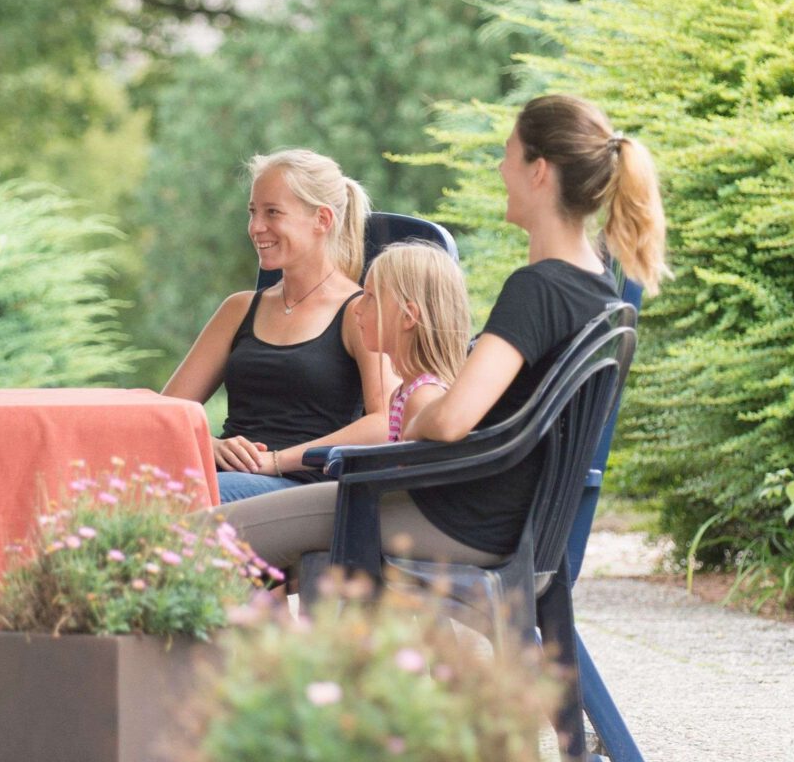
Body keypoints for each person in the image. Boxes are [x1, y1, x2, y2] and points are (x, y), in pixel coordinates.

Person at [216, 94, 666, 580]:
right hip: (495, 520)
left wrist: (406, 419)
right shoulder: (595, 289)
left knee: (193, 529)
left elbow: (451, 420)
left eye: (509, 155)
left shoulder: (538, 288)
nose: (500, 169)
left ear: (539, 171)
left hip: (452, 519)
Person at [162, 149, 396, 503]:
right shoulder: (239, 308)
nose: (256, 227)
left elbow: (386, 423)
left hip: (305, 490)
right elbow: (167, 413)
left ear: (322, 219)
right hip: (224, 480)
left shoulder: (359, 311)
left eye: (273, 212)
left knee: (174, 499)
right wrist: (210, 445)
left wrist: (276, 461)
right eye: (253, 212)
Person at [355, 242, 471, 443]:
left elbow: (407, 474)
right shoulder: (401, 394)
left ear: (408, 316)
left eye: (370, 297)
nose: (357, 307)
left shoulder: (422, 398)